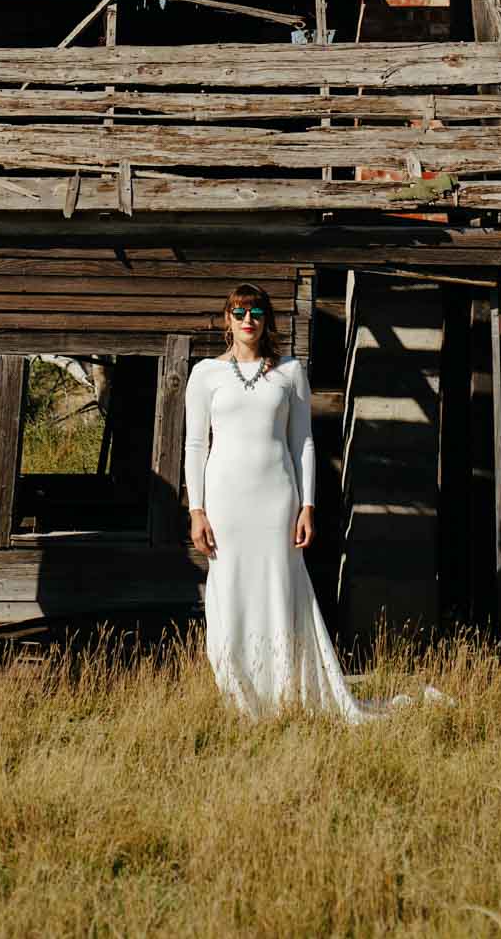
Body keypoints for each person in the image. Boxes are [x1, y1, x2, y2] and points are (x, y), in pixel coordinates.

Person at [184, 280, 373, 722]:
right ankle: (240, 693)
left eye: (256, 312)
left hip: (277, 500)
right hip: (226, 501)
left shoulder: (289, 372)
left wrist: (308, 505)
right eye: (238, 312)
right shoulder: (205, 374)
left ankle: (287, 689)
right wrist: (197, 510)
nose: (248, 320)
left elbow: (304, 442)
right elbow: (195, 444)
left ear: (267, 319)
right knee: (230, 589)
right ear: (227, 320)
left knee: (278, 587)